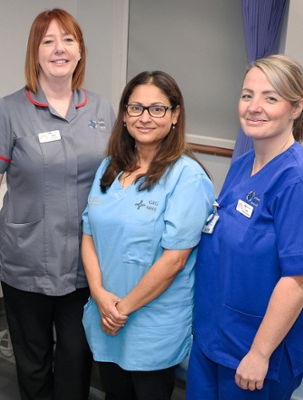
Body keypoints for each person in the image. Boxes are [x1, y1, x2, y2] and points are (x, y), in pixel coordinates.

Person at [0, 8, 115, 400]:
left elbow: (118, 181)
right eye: (48, 41)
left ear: (80, 51)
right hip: (26, 263)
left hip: (85, 264)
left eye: (68, 40)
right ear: (34, 52)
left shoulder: (102, 110)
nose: (59, 49)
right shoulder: (9, 111)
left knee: (76, 361)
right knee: (33, 366)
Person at [186, 54, 303, 400]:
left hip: (256, 353)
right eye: (247, 95)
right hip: (213, 338)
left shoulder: (302, 181)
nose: (254, 107)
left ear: (296, 108)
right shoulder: (242, 166)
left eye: (270, 97)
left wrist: (259, 353)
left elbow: (300, 278)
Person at [81, 70, 215, 400]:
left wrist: (122, 308)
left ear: (174, 115)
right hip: (105, 315)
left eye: (157, 109)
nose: (145, 117)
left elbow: (174, 260)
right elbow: (88, 233)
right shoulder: (110, 167)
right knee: (115, 394)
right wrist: (99, 294)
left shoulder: (188, 178)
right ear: (125, 115)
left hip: (150, 324)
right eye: (135, 108)